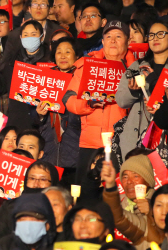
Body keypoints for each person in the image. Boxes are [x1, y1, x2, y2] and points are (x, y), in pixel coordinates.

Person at [63, 20, 136, 184]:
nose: (113, 40)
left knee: (116, 195)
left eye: (118, 36)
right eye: (108, 36)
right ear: (102, 42)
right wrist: (87, 105)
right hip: (90, 142)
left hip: (123, 144)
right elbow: (68, 99)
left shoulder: (137, 71)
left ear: (128, 41)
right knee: (86, 193)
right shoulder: (87, 65)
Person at [115, 21, 168, 161]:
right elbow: (120, 100)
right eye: (151, 35)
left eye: (161, 34)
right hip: (136, 138)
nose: (155, 38)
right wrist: (133, 92)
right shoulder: (138, 66)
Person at [0, 19, 51, 129]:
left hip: (44, 123)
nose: (29, 38)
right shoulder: (12, 62)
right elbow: (0, 89)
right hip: (18, 120)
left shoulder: (50, 62)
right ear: (20, 38)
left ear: (42, 37)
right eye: (25, 35)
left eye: (33, 34)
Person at [34, 38, 81, 178]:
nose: (63, 56)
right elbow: (33, 117)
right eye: (58, 52)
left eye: (68, 52)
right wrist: (40, 115)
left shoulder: (82, 79)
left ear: (77, 56)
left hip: (74, 149)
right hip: (49, 148)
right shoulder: (45, 80)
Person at [102, 157, 165, 250]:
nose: (129, 181)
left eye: (135, 176)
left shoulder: (159, 202)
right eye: (125, 176)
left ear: (148, 181)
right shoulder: (116, 201)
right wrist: (110, 185)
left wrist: (151, 212)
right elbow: (116, 214)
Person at [0, 159, 60, 243]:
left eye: (43, 179)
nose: (36, 184)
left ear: (53, 182)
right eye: (32, 178)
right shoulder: (9, 206)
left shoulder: (57, 208)